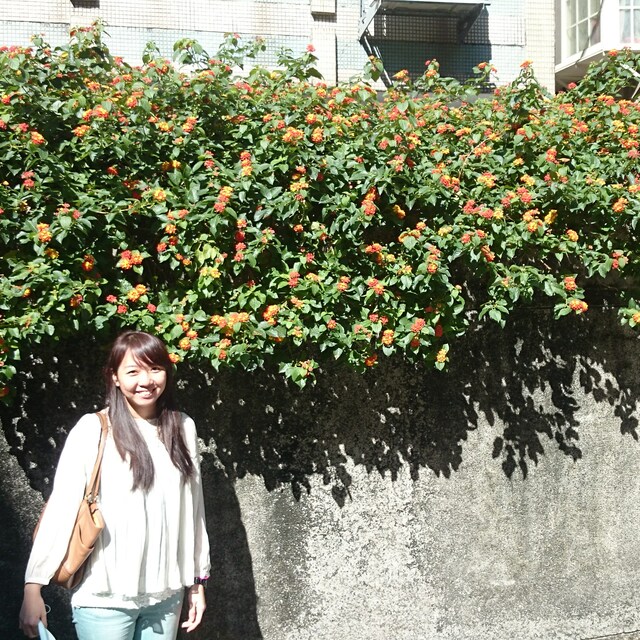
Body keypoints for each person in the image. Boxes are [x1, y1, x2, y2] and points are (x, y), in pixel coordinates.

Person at [19, 331, 211, 640]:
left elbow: (193, 509)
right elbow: (62, 507)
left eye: (155, 369)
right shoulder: (92, 429)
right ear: (115, 377)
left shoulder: (183, 427)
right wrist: (33, 586)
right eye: (133, 371)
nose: (146, 381)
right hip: (104, 599)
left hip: (166, 597)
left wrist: (196, 582)